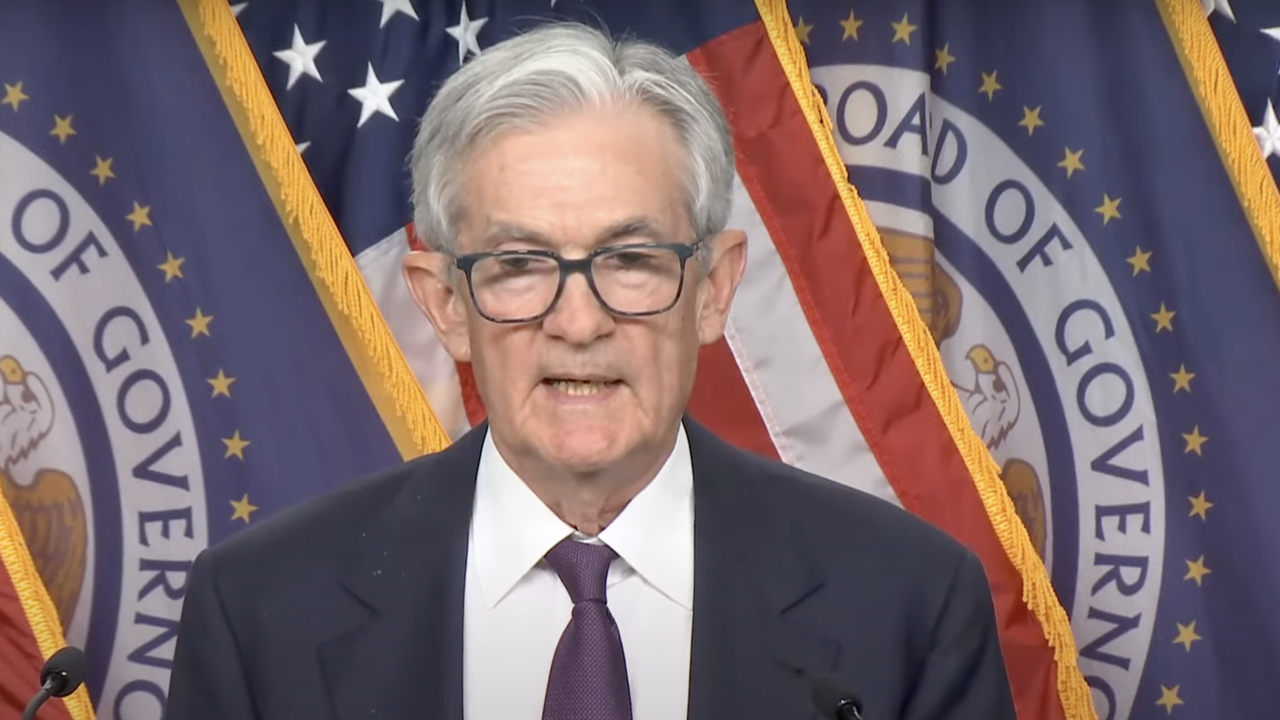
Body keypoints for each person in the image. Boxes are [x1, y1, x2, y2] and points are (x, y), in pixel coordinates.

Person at [165, 21, 1018, 720]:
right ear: (445, 304)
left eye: (631, 259)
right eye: (520, 265)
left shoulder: (908, 604)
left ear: (714, 290)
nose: (579, 323)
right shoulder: (259, 612)